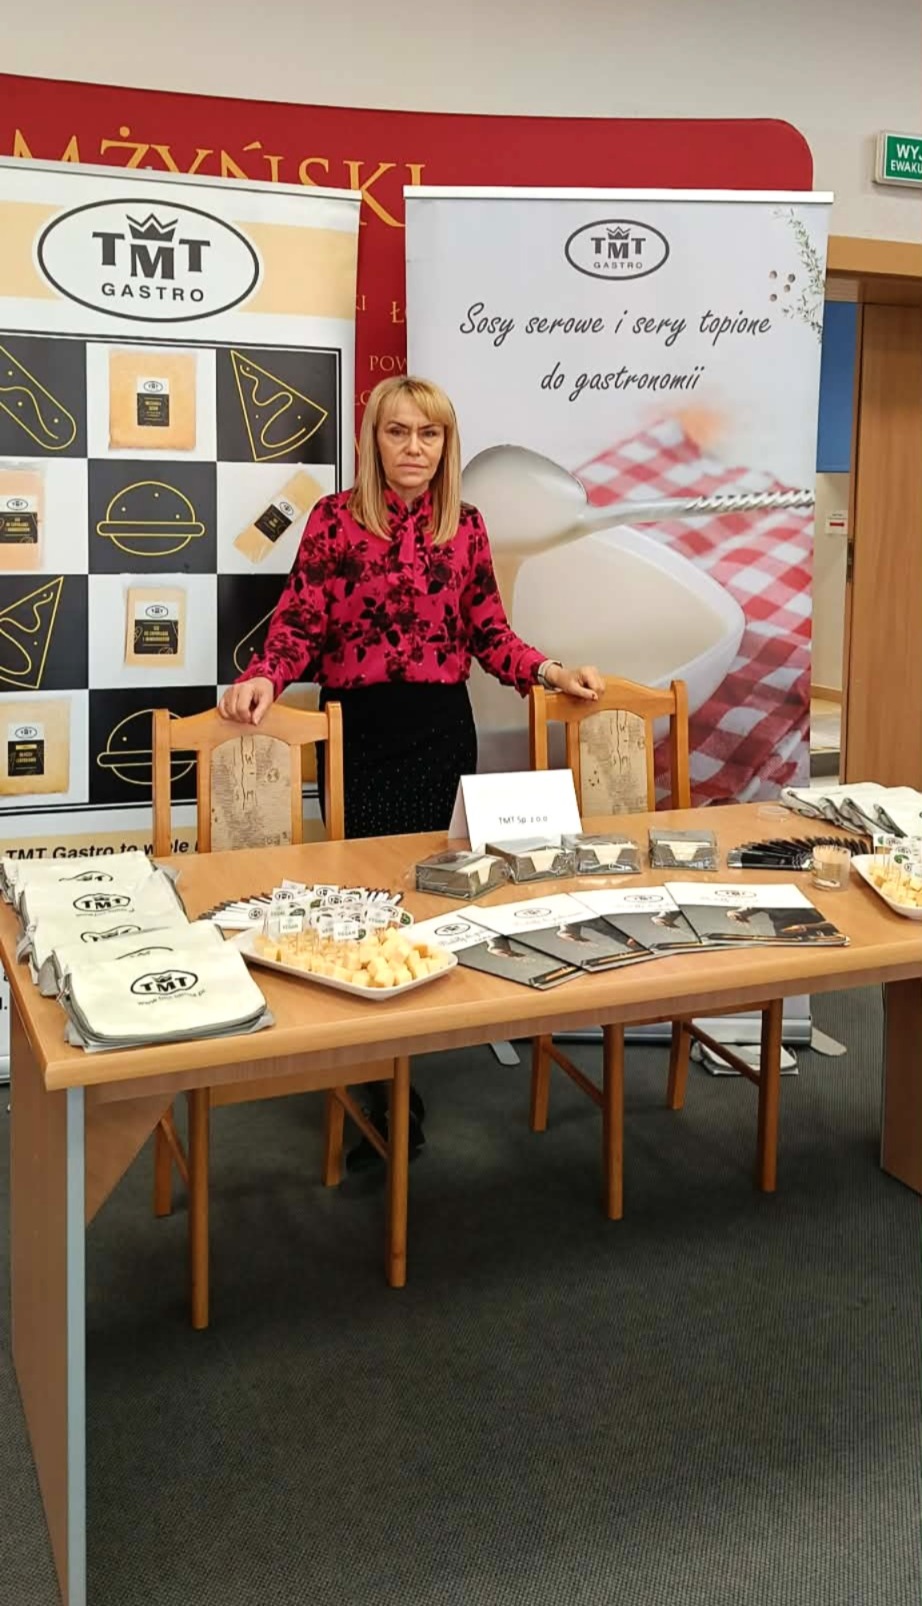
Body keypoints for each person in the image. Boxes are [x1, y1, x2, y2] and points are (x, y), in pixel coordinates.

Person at [219, 374, 604, 1169]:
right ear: (375, 440)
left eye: (429, 435)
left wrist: (549, 670)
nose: (414, 449)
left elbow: (491, 634)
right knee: (365, 903)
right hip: (359, 730)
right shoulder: (332, 521)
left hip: (438, 731)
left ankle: (403, 1058)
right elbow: (299, 619)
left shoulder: (465, 526)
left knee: (426, 902)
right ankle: (381, 1083)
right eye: (399, 433)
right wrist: (265, 674)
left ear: (446, 445)